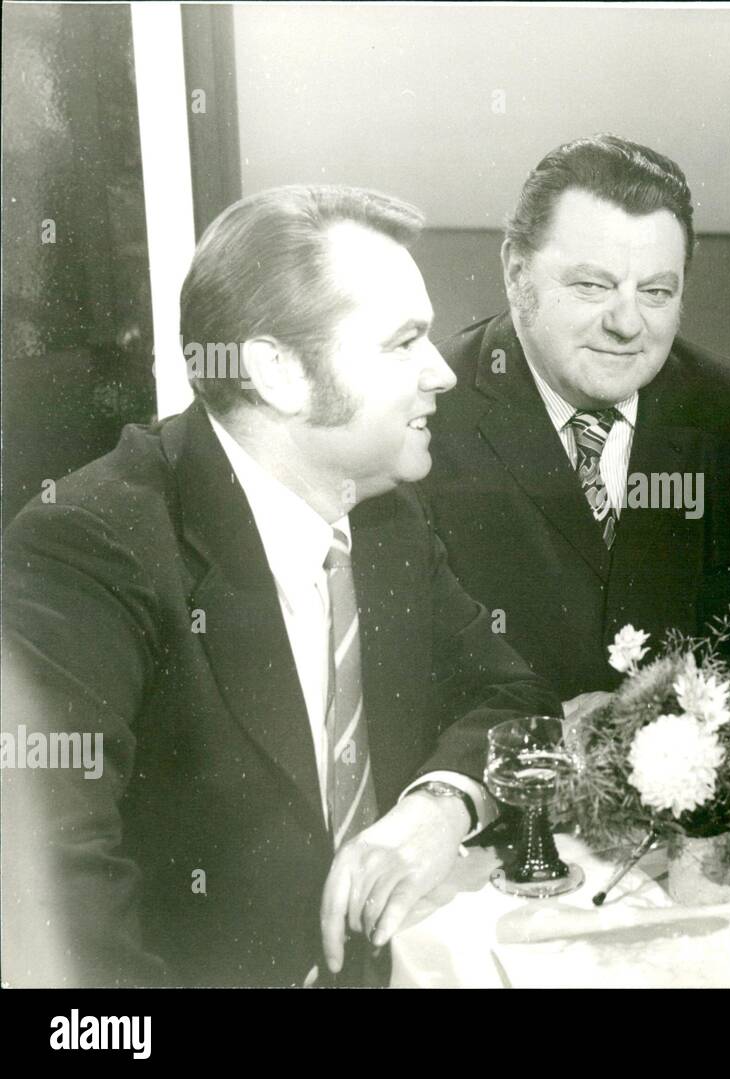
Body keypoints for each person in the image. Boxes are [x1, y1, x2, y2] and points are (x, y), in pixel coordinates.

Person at [0, 185, 561, 987]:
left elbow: (515, 699)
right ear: (279, 373)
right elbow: (56, 908)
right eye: (404, 343)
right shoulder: (90, 546)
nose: (441, 372)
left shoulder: (386, 518)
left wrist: (437, 808)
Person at [421, 134, 730, 714]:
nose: (627, 324)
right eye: (592, 285)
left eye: (655, 292)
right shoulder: (424, 412)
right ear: (515, 271)